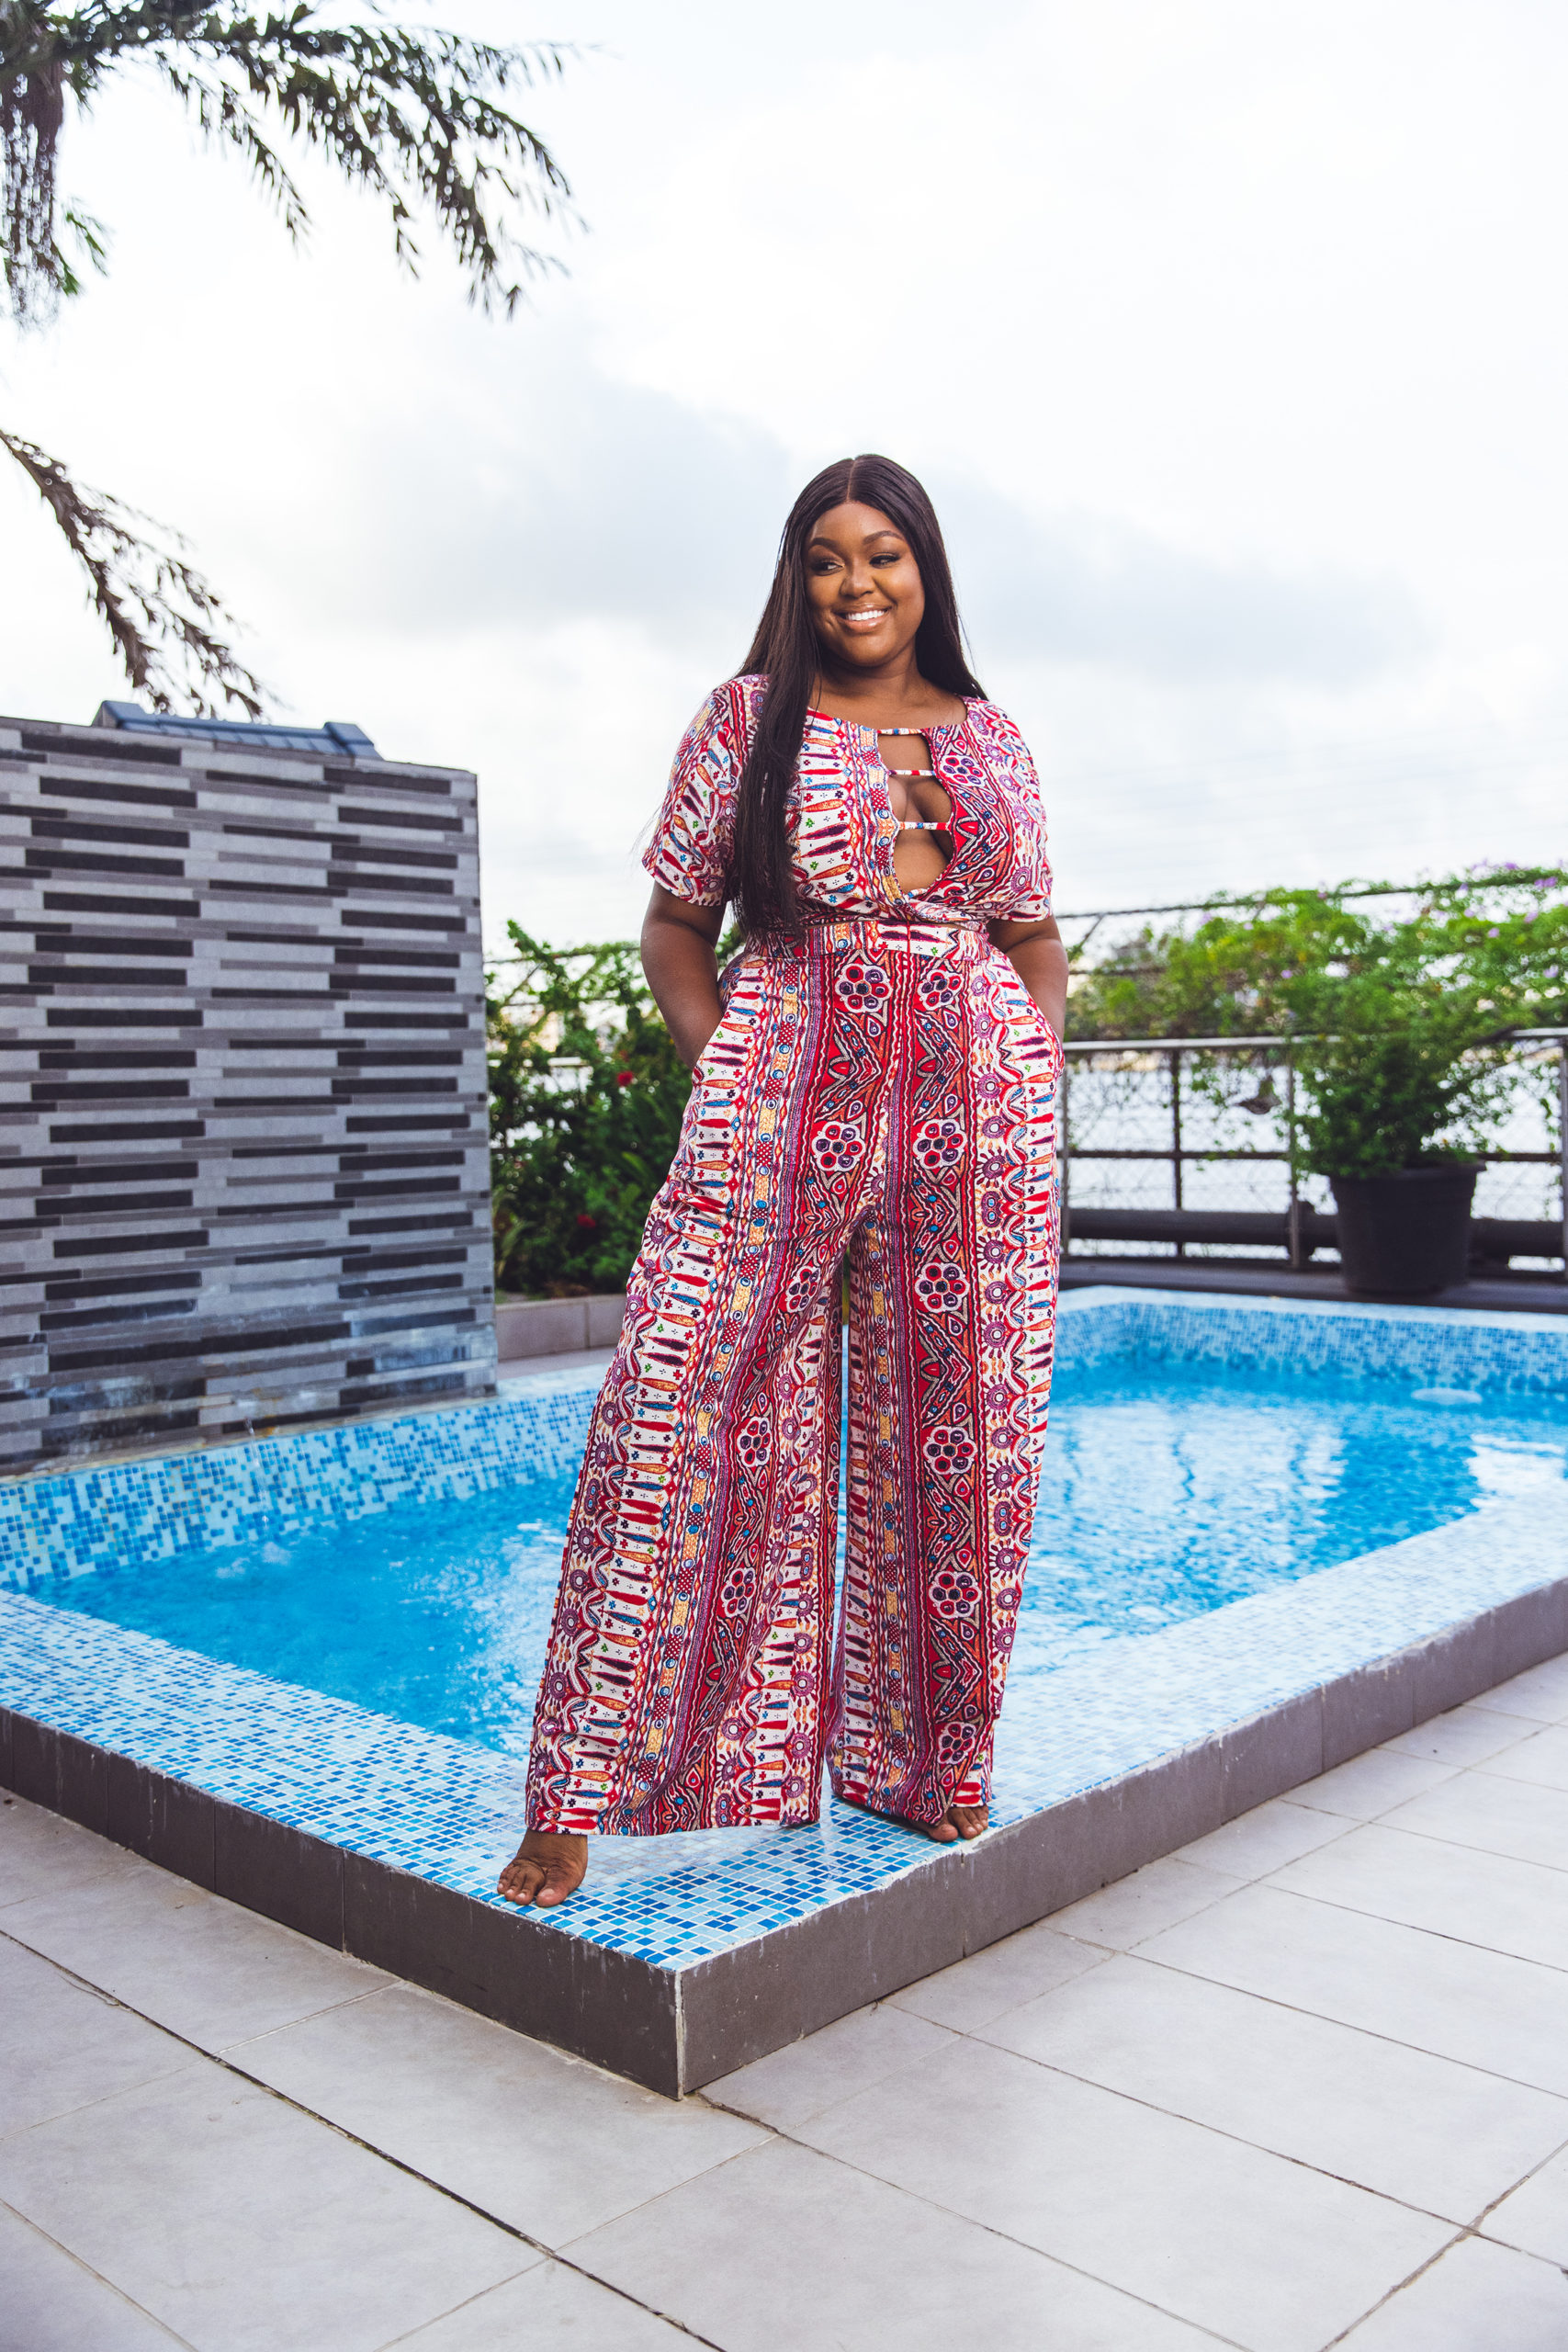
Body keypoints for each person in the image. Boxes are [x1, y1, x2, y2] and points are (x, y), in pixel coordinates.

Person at [499, 453, 1067, 1910]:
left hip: (977, 1119)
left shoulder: (994, 737)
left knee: (967, 1434)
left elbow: (1030, 933)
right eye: (827, 558)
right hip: (782, 1085)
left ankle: (930, 1766)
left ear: (926, 567)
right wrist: (730, 1066)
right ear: (797, 579)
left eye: (883, 553)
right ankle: (579, 1797)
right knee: (675, 1404)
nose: (856, 582)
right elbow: (673, 927)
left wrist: (1034, 1069)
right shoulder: (745, 720)